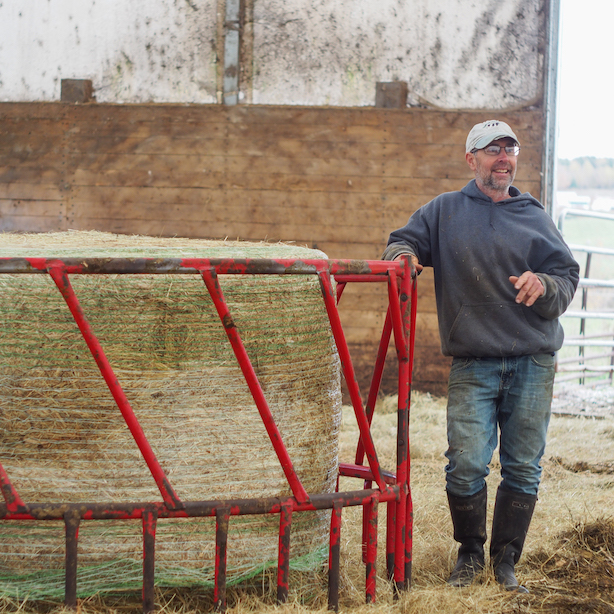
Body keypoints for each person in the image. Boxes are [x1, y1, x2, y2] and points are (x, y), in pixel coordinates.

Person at [383, 120, 579, 592]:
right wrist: (405, 259)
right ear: (471, 160)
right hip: (474, 360)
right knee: (466, 462)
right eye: (492, 151)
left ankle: (505, 562)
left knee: (523, 465)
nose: (503, 159)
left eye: (509, 150)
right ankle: (470, 554)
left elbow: (566, 276)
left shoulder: (534, 215)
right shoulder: (444, 211)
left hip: (533, 360)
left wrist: (545, 284)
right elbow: (401, 242)